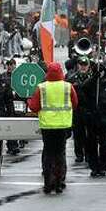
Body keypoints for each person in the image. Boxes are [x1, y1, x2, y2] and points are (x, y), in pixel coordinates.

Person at [28, 61, 77, 194]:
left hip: (47, 126)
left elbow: (34, 107)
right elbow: (75, 103)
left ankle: (48, 183)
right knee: (60, 154)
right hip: (63, 125)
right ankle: (59, 182)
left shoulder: (42, 87)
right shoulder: (68, 86)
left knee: (48, 154)